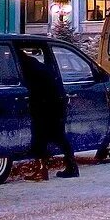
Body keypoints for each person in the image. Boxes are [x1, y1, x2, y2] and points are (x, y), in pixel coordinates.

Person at [18, 50, 78, 179]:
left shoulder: (28, 69)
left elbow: (33, 89)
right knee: (58, 136)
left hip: (46, 105)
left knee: (40, 136)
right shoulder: (37, 66)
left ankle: (42, 170)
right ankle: (71, 167)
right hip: (55, 103)